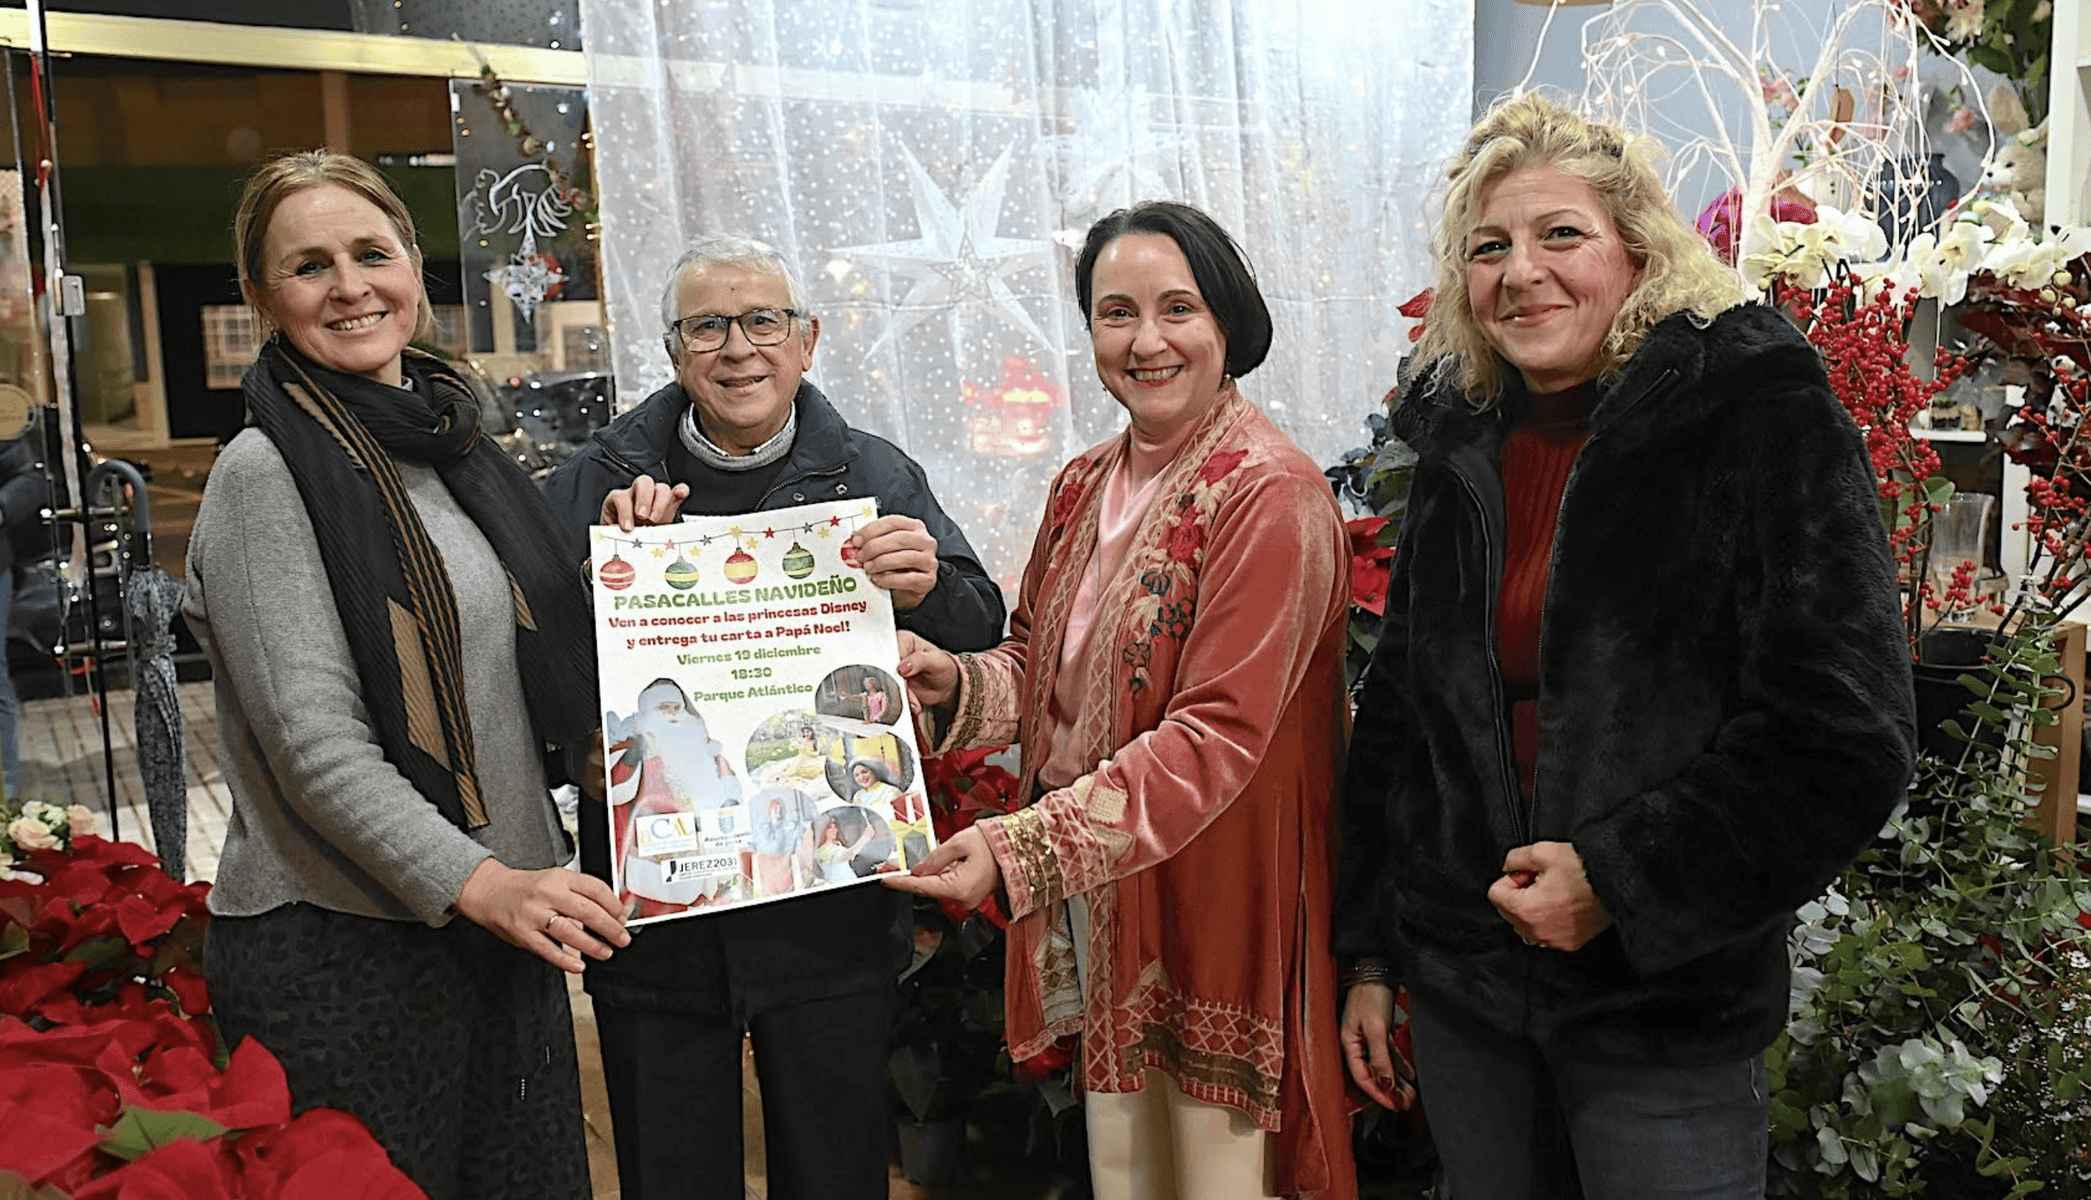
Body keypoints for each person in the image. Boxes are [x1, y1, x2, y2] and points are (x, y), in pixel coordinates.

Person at [1332, 93, 1917, 1199]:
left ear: (1639, 253)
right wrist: (1370, 954)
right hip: (1468, 992)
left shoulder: (1756, 415)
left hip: (1660, 1000)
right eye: (1488, 247)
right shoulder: (1464, 437)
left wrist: (1619, 880)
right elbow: (1405, 717)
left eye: (1562, 235)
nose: (1522, 273)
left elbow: (1847, 733)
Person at [889, 201, 1356, 1200]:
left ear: (1227, 323)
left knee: (1218, 1172)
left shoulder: (1269, 493)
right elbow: (1048, 670)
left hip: (1220, 902)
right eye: (1116, 313)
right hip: (1106, 890)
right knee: (1132, 1170)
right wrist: (956, 681)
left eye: (1176, 308)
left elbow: (1215, 738)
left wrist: (1019, 852)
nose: (1146, 341)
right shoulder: (1082, 484)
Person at [184, 150, 627, 1200]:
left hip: (504, 921)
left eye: (370, 252)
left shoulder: (456, 446)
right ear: (261, 298)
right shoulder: (265, 476)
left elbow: (516, 671)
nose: (349, 286)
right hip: (349, 953)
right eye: (309, 265)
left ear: (412, 269)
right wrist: (484, 884)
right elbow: (316, 751)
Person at [543, 234, 1006, 1200]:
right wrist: (605, 584)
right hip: (660, 911)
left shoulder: (873, 470)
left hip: (827, 908)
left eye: (763, 320)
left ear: (808, 341)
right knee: (672, 1177)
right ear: (674, 352)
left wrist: (926, 583)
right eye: (707, 325)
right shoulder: (598, 479)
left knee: (835, 1173)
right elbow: (530, 668)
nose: (738, 347)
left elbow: (976, 614)